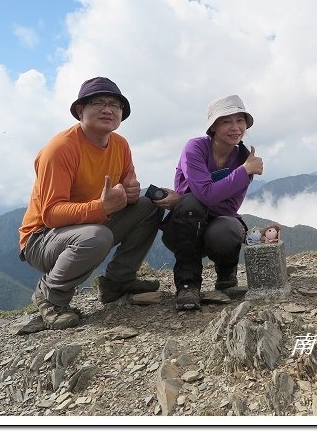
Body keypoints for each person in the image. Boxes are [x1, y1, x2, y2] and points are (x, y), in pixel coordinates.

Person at [18, 77, 163, 329]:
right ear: (79, 110)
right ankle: (50, 297)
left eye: (115, 105)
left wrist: (129, 193)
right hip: (41, 238)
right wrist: (102, 207)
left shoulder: (120, 145)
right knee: (97, 236)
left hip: (90, 223)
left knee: (148, 207)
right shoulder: (60, 149)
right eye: (98, 102)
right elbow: (51, 214)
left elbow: (125, 189)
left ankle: (118, 282)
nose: (108, 109)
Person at [150, 95, 264, 311]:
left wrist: (184, 199)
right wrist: (242, 173)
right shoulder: (195, 148)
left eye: (240, 120)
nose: (235, 128)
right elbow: (206, 195)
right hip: (184, 227)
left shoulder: (244, 158)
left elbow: (230, 208)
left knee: (228, 227)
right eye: (226, 121)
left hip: (216, 226)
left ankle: (226, 274)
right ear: (213, 127)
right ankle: (188, 284)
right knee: (191, 205)